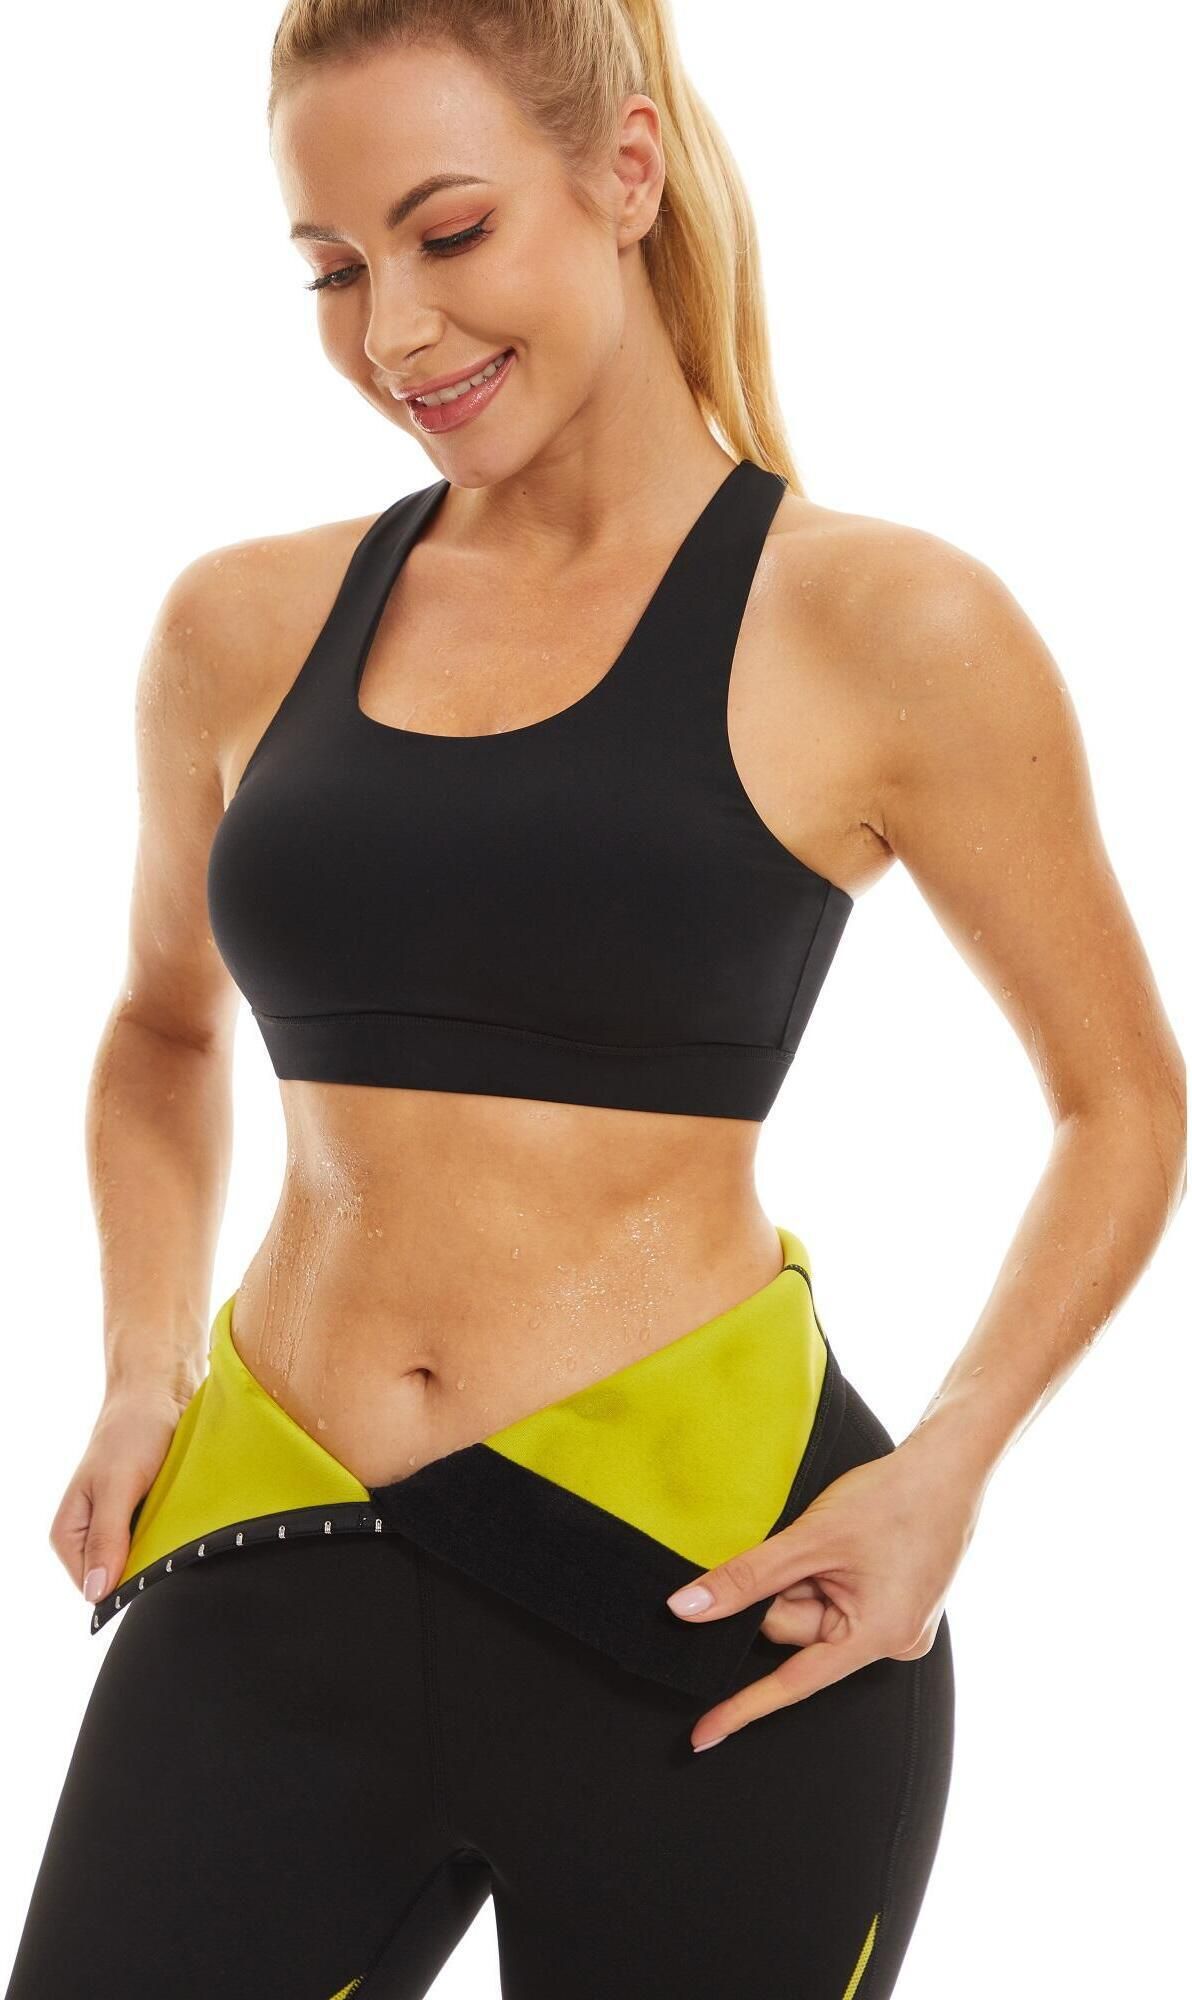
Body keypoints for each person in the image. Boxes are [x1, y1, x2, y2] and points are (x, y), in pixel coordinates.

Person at [6, 3, 1185, 1997]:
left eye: (449, 232)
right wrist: (137, 1370)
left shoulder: (886, 625)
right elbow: (159, 1029)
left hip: (713, 1610)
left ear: (625, 173)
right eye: (331, 268)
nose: (394, 333)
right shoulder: (238, 625)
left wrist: (944, 1476)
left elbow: (1120, 1101)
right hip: (276, 1546)